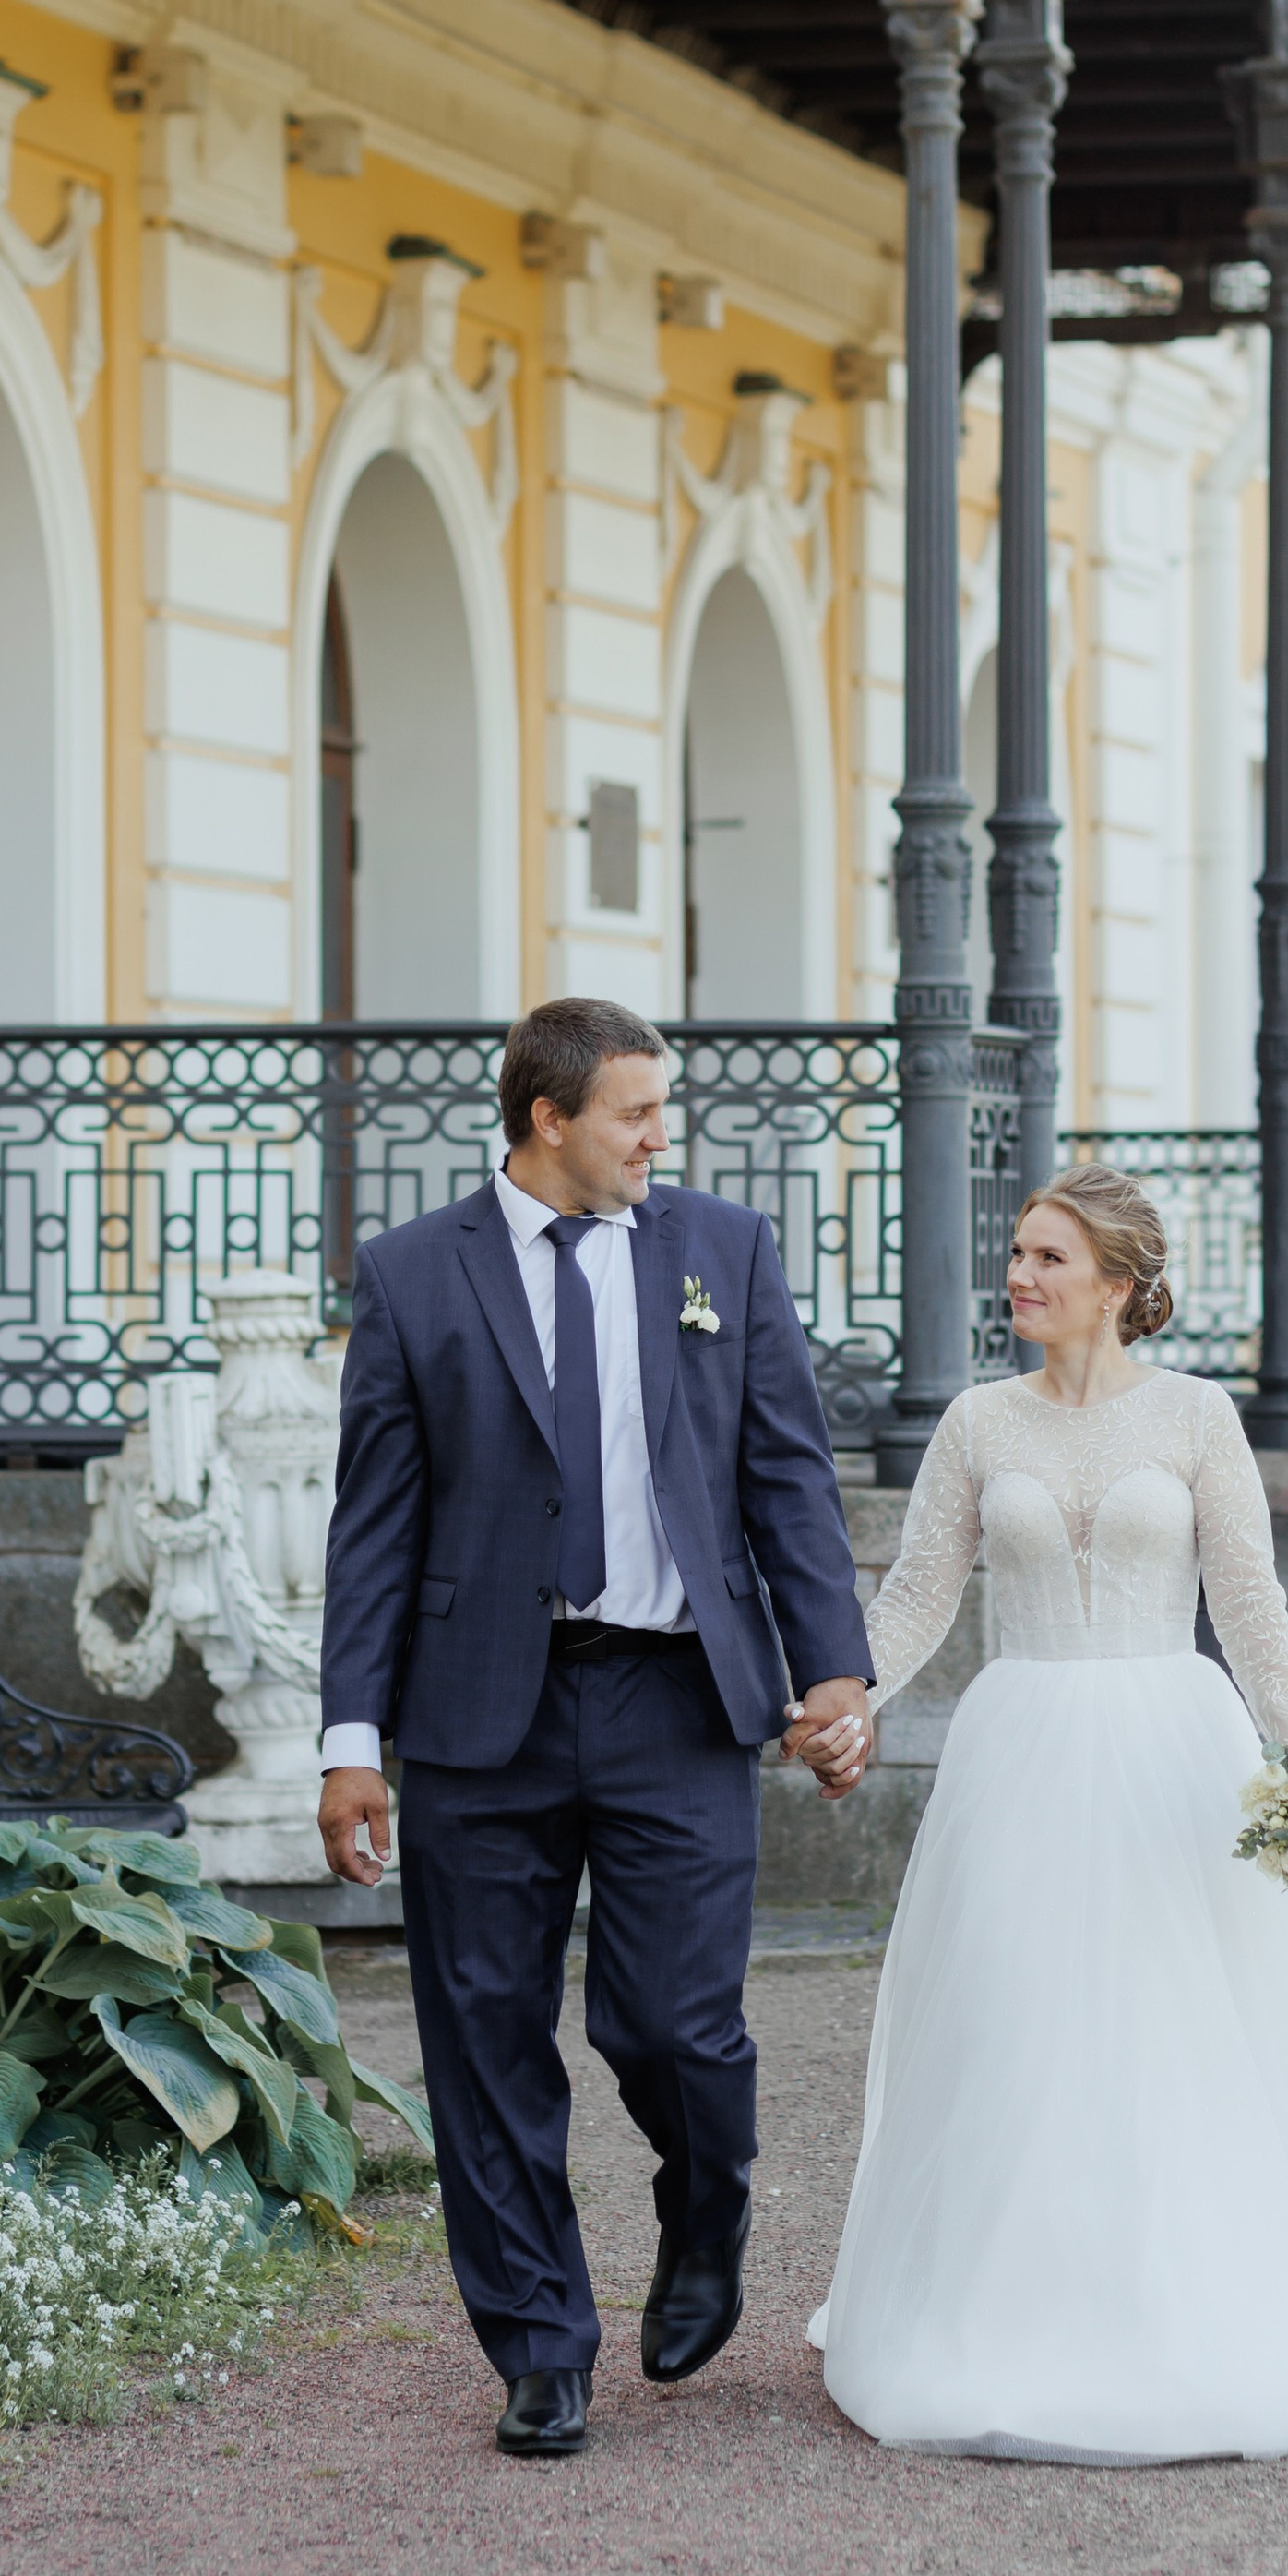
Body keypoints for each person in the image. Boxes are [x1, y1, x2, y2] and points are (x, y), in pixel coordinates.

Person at [809, 1161, 1288, 2464]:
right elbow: (914, 1600)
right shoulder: (976, 1423)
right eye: (1016, 1252)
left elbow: (1249, 1606)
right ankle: (1013, 2308)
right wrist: (844, 1702)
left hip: (1176, 1754)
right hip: (1021, 1754)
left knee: (1181, 2027)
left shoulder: (1193, 1418)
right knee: (1020, 2021)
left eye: (1047, 1258)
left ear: (1120, 1285)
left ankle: (1196, 2302)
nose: (1018, 1275)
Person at [317, 1000, 874, 2460]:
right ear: (547, 1119)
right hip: (473, 1716)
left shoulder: (721, 1250)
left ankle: (708, 2206)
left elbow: (788, 1477)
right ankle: (542, 2346)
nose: (658, 1136)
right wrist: (348, 1741)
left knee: (673, 2022)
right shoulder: (412, 1275)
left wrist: (836, 1671)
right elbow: (372, 1526)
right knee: (483, 2034)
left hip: (675, 1696)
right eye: (634, 1111)